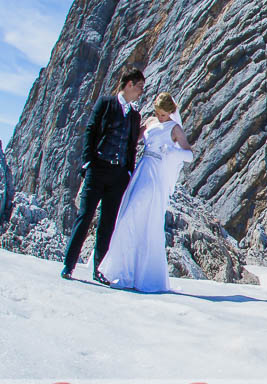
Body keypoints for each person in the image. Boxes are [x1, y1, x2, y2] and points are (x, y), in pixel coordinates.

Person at [99, 92, 194, 292]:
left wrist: (174, 152)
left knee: (144, 218)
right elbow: (134, 139)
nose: (160, 117)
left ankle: (144, 275)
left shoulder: (175, 128)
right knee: (128, 216)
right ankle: (121, 270)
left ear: (171, 112)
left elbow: (189, 154)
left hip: (156, 175)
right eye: (158, 113)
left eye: (164, 115)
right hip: (142, 169)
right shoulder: (151, 121)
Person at [61, 68, 145, 284]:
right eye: (139, 87)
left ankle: (99, 270)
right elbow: (91, 131)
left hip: (118, 175)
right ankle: (68, 265)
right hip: (97, 169)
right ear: (128, 85)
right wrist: (88, 162)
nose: (140, 92)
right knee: (84, 217)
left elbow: (131, 145)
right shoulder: (106, 103)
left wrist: (128, 171)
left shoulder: (135, 115)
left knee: (107, 223)